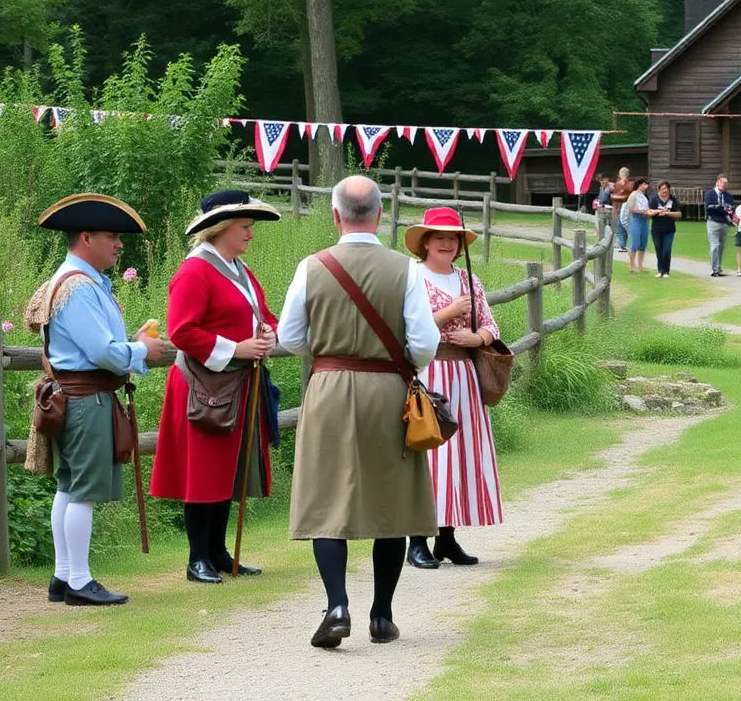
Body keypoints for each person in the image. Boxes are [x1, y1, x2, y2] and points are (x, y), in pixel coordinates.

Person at [278, 176, 441, 648]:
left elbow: (290, 337)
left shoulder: (311, 267)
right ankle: (381, 616)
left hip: (328, 388)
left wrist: (329, 349)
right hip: (388, 391)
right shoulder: (406, 270)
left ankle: (337, 605)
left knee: (327, 497)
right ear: (380, 214)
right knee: (389, 498)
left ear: (335, 215)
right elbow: (425, 345)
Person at [26, 194, 164, 606]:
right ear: (86, 237)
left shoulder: (71, 281)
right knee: (82, 490)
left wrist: (130, 345)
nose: (119, 244)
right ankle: (79, 582)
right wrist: (140, 351)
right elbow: (102, 352)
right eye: (111, 236)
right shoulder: (80, 287)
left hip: (75, 396)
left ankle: (63, 576)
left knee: (69, 487)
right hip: (86, 400)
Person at [150, 191, 281, 584]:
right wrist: (236, 347)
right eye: (244, 227)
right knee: (203, 469)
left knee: (227, 467)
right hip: (203, 384)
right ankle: (197, 558)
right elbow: (182, 330)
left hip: (235, 382)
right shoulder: (194, 271)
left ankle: (219, 552)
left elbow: (263, 312)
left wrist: (268, 333)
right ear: (222, 229)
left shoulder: (238, 269)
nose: (250, 235)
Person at [402, 208, 503, 570]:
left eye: (453, 238)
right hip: (428, 373)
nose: (447, 243)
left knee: (458, 455)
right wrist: (448, 314)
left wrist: (475, 336)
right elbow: (405, 327)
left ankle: (447, 538)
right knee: (429, 451)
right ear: (424, 242)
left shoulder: (469, 280)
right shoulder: (411, 278)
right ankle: (417, 540)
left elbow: (492, 326)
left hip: (463, 375)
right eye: (439, 236)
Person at [703, 175, 735, 276]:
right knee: (715, 245)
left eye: (726, 184)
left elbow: (729, 208)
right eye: (723, 183)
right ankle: (714, 269)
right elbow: (709, 208)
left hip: (724, 223)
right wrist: (722, 209)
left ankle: (718, 267)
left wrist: (722, 209)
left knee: (721, 246)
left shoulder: (728, 196)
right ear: (718, 183)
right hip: (713, 222)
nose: (725, 186)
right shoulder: (709, 194)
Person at [648, 181, 682, 278]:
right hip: (656, 229)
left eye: (666, 189)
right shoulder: (654, 200)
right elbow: (649, 212)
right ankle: (660, 270)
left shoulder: (673, 200)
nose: (664, 191)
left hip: (669, 229)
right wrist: (659, 211)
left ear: (669, 189)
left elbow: (679, 214)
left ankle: (666, 271)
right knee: (658, 249)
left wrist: (668, 213)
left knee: (667, 250)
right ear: (658, 190)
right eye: (662, 189)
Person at [627, 177, 651, 274]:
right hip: (636, 220)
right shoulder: (633, 195)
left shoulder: (644, 196)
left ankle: (641, 266)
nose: (646, 186)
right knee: (634, 243)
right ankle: (632, 266)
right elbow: (631, 209)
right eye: (644, 184)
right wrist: (642, 212)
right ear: (640, 185)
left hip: (644, 220)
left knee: (643, 244)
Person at [611, 168, 633, 252]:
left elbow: (626, 193)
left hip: (624, 207)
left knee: (623, 226)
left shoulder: (628, 184)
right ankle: (622, 245)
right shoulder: (619, 184)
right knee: (621, 227)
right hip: (621, 206)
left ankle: (626, 245)